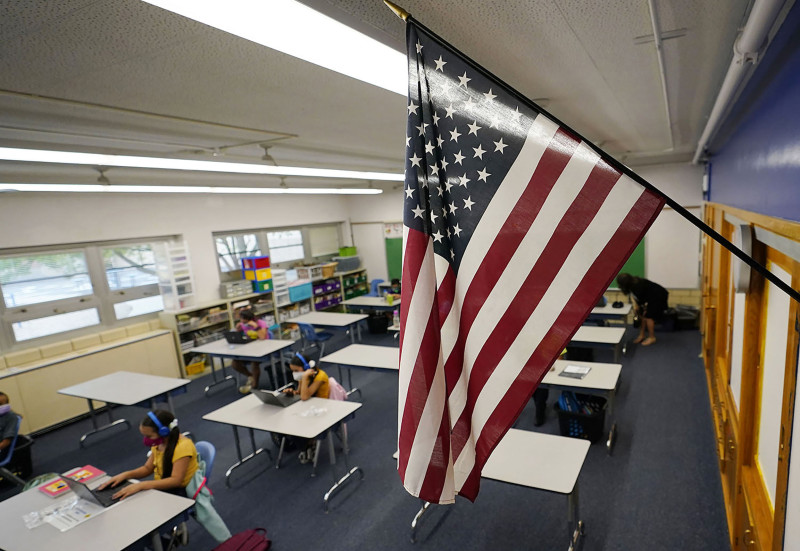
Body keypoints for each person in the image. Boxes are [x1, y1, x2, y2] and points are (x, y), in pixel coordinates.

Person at [100, 410, 231, 544]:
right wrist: (126, 474)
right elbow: (147, 468)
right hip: (165, 486)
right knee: (133, 503)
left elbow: (176, 480)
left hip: (181, 490)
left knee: (141, 510)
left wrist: (141, 485)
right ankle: (163, 536)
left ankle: (161, 539)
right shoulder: (158, 444)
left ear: (163, 432)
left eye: (148, 436)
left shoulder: (183, 447)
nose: (146, 440)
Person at [616, 273, 669, 346]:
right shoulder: (633, 284)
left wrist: (642, 309)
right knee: (641, 315)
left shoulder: (637, 287)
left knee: (649, 317)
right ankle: (642, 335)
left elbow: (643, 301)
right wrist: (637, 308)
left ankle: (652, 338)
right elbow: (636, 298)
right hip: (650, 296)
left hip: (659, 296)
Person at [230, 308, 269, 394]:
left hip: (263, 349)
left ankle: (255, 385)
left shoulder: (261, 323)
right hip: (249, 349)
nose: (243, 322)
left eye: (245, 320)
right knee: (235, 363)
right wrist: (237, 330)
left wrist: (255, 326)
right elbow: (239, 338)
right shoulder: (243, 325)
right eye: (241, 320)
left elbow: (262, 337)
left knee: (254, 362)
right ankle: (250, 376)